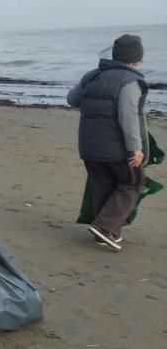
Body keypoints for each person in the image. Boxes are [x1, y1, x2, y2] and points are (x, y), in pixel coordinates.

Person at [66, 34, 148, 251]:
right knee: (132, 182)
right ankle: (104, 227)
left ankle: (106, 233)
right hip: (116, 148)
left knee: (103, 185)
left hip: (88, 146)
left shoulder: (92, 76)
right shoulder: (130, 81)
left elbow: (72, 100)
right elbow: (128, 116)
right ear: (136, 59)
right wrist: (135, 148)